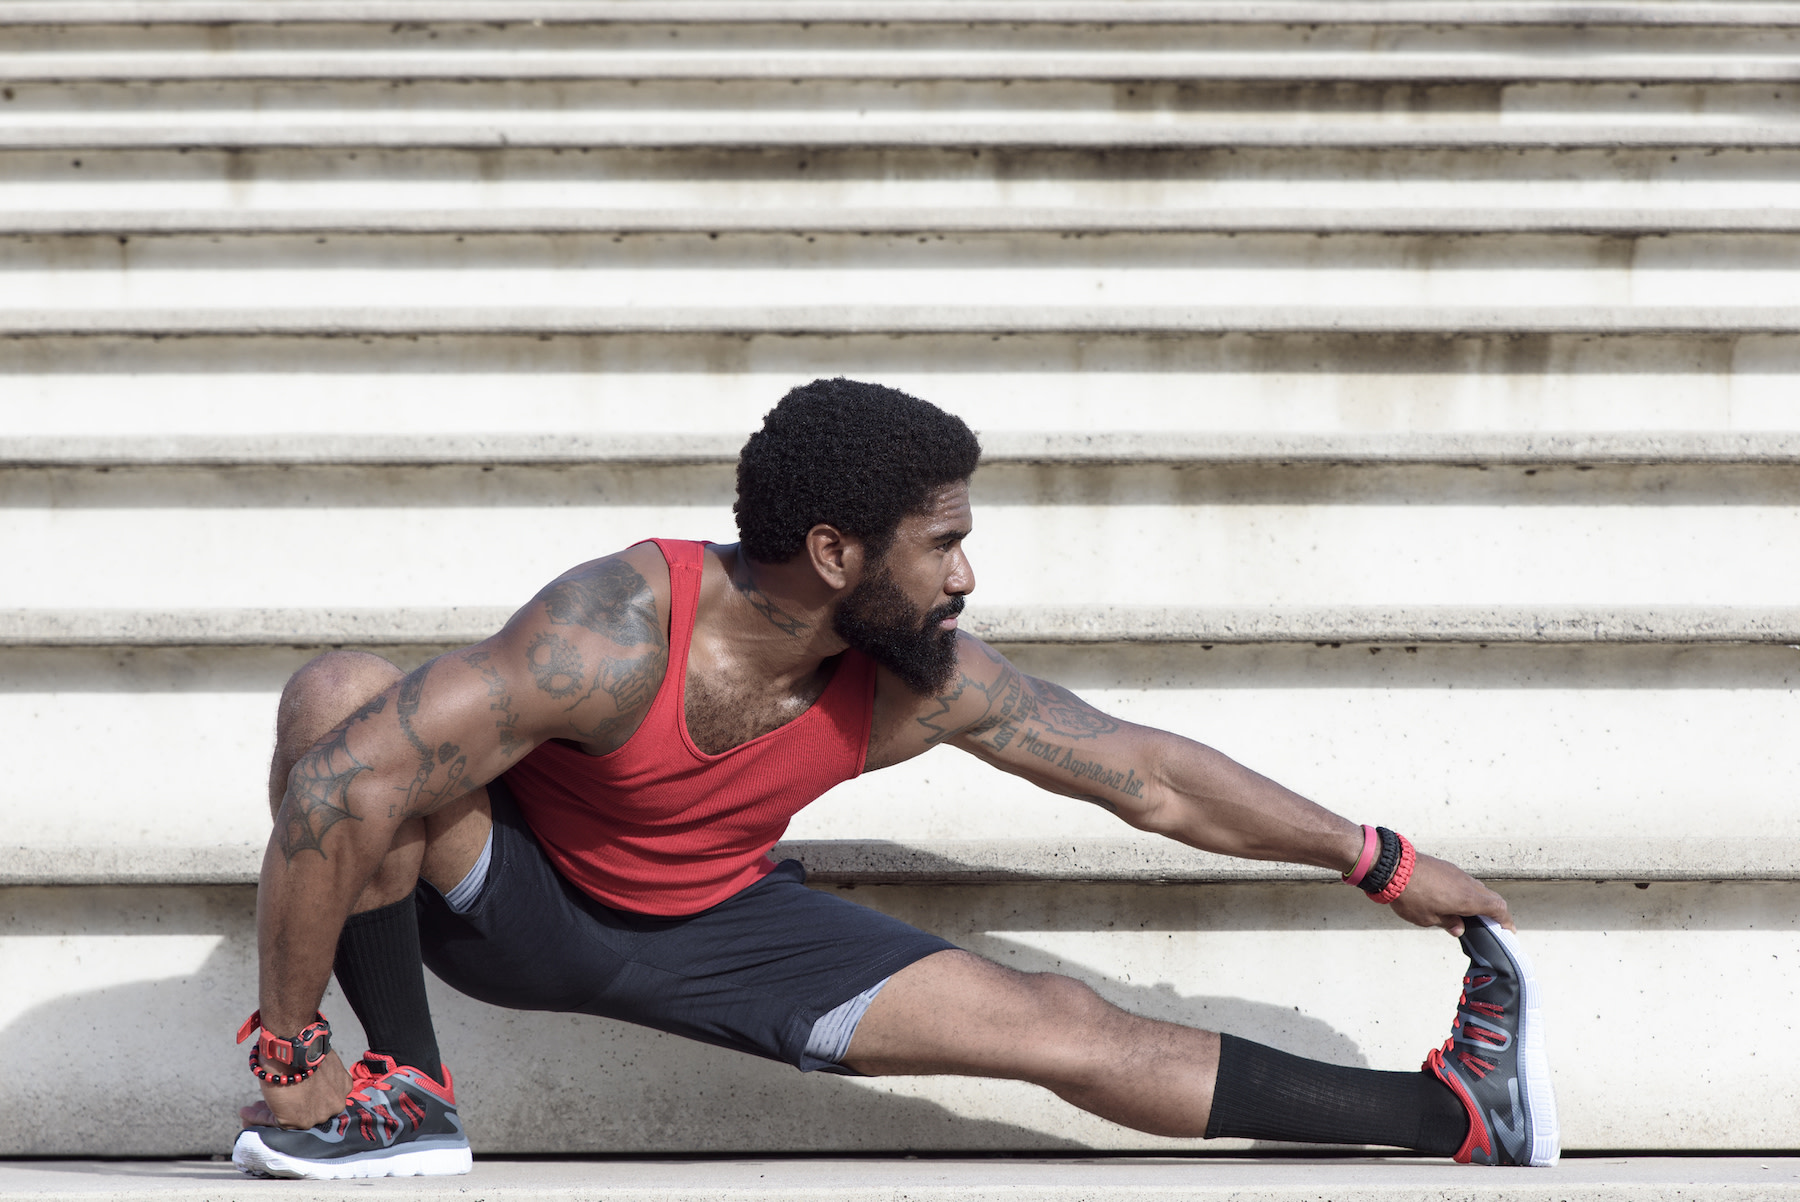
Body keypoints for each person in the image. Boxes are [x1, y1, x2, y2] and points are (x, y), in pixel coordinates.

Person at [233, 378, 1559, 1179]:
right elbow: (334, 784)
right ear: (832, 549)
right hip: (517, 896)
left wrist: (1373, 855)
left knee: (1059, 1019)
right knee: (343, 700)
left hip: (725, 929)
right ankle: (400, 1089)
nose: (966, 576)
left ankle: (1453, 1117)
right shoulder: (613, 633)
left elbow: (1147, 777)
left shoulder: (926, 673)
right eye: (944, 543)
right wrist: (291, 1055)